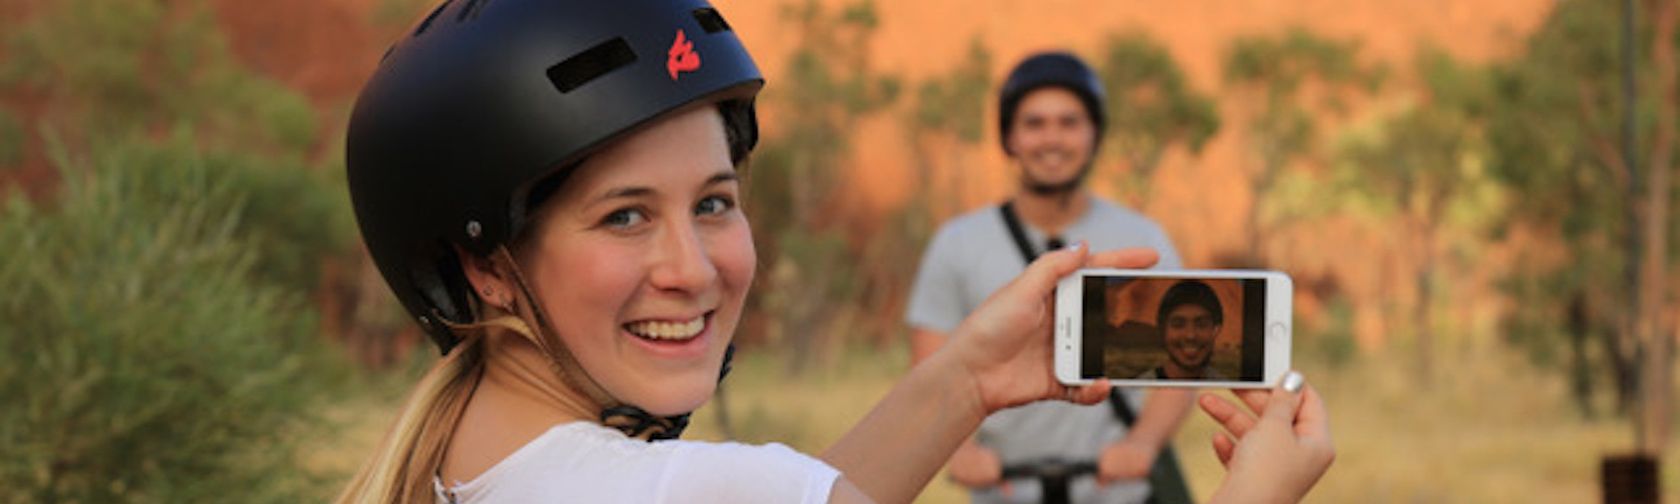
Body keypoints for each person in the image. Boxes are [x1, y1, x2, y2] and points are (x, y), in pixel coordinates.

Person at [336, 1, 1333, 502]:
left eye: (715, 202)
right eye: (624, 216)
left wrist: (968, 380)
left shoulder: (468, 449)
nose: (696, 267)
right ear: (483, 265)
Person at [905, 51, 1194, 503]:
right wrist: (958, 450)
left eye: (1069, 122)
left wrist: (1143, 443)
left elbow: (1180, 364)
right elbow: (930, 367)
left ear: (1094, 132)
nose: (1052, 139)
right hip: (1004, 492)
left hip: (1118, 492)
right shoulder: (958, 243)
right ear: (1009, 137)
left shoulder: (1142, 238)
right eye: (1034, 123)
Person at [1135, 280, 1229, 380]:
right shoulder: (1138, 389)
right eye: (1178, 325)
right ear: (1163, 330)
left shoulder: (1226, 389)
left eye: (1201, 325)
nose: (1190, 335)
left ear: (1216, 330)